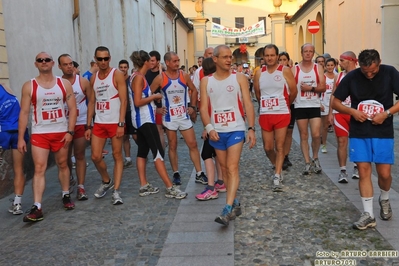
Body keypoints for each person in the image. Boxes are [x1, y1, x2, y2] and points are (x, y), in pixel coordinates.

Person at [332, 49, 399, 230]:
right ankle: (368, 214)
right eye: (365, 71)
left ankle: (384, 198)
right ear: (359, 65)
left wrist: (386, 113)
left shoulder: (390, 72)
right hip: (360, 131)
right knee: (363, 170)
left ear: (380, 63)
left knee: (384, 174)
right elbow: (335, 101)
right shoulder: (353, 76)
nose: (369, 74)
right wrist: (352, 111)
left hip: (382, 130)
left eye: (373, 71)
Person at [200, 45, 256, 226]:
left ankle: (227, 208)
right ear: (214, 59)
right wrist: (209, 128)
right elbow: (203, 108)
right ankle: (235, 201)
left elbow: (248, 104)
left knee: (232, 168)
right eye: (224, 57)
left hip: (236, 128)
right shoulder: (206, 81)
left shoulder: (239, 78)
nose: (228, 60)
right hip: (217, 132)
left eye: (229, 57)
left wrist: (251, 128)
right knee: (224, 170)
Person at [18, 52, 77, 222]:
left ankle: (66, 194)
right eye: (40, 60)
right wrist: (21, 137)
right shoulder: (29, 86)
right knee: (39, 168)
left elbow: (73, 109)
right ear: (36, 64)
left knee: (62, 164)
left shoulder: (64, 84)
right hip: (40, 133)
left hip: (60, 131)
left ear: (53, 63)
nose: (43, 62)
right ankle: (37, 206)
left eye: (47, 60)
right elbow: (24, 112)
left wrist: (70, 131)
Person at [129, 50, 188, 199]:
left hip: (141, 119)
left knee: (142, 151)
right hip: (145, 120)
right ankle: (170, 187)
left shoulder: (136, 76)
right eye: (150, 61)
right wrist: (154, 96)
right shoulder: (138, 78)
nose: (152, 63)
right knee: (158, 153)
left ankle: (144, 185)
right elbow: (137, 101)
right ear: (145, 62)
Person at [150, 52, 207, 186]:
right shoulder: (160, 78)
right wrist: (156, 109)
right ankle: (176, 173)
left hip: (183, 115)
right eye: (174, 61)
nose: (177, 63)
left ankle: (199, 173)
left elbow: (194, 90)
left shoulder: (184, 75)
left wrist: (192, 106)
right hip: (169, 117)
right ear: (167, 63)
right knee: (173, 145)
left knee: (192, 144)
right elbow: (148, 94)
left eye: (178, 61)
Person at [85, 46, 127, 205]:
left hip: (115, 122)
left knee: (117, 155)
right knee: (95, 156)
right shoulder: (93, 78)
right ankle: (106, 180)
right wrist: (88, 125)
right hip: (100, 123)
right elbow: (91, 102)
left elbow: (123, 100)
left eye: (106, 58)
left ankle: (116, 190)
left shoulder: (117, 74)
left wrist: (121, 123)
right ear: (95, 59)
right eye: (100, 59)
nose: (103, 62)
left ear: (110, 58)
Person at [253, 44, 297, 192]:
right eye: (267, 55)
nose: (270, 58)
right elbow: (258, 93)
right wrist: (266, 104)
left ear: (277, 56)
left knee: (280, 145)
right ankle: (276, 164)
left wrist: (284, 104)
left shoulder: (285, 71)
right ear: (263, 57)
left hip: (282, 112)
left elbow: (293, 91)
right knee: (267, 147)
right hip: (266, 113)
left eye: (272, 55)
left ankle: (277, 174)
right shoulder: (259, 73)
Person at [58, 54, 90, 200]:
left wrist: (90, 124)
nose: (69, 66)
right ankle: (69, 179)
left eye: (71, 63)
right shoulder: (57, 83)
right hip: (63, 125)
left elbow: (92, 102)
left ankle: (81, 186)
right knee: (65, 158)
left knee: (79, 155)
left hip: (80, 123)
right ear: (60, 67)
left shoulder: (82, 82)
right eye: (65, 64)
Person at [195, 57, 226, 201]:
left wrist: (207, 127)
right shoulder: (222, 80)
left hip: (213, 123)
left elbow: (205, 108)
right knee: (217, 154)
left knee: (206, 154)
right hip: (224, 123)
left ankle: (211, 186)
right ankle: (220, 182)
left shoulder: (207, 82)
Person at [293, 43, 326, 175]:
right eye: (305, 51)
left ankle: (315, 157)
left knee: (316, 134)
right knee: (303, 135)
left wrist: (310, 88)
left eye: (310, 51)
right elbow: (290, 87)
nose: (308, 53)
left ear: (313, 53)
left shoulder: (318, 68)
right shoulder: (294, 69)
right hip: (300, 105)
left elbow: (323, 87)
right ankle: (307, 161)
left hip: (313, 104)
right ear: (301, 53)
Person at [329, 51, 359, 183]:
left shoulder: (360, 74)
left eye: (342, 60)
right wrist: (330, 112)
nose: (339, 63)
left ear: (351, 60)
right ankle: (342, 170)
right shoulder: (339, 76)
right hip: (340, 113)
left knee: (356, 141)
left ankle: (357, 166)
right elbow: (333, 95)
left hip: (355, 113)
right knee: (341, 142)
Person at [0, 84, 29, 214]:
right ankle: (17, 204)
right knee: (18, 169)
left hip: (3, 132)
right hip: (19, 131)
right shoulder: (6, 87)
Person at [145, 50, 166, 149]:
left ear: (158, 61)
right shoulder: (146, 73)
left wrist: (161, 71)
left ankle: (160, 152)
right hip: (147, 104)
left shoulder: (163, 74)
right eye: (150, 60)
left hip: (159, 105)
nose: (151, 63)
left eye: (153, 61)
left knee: (159, 129)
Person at [279, 52, 295, 169]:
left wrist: (288, 103)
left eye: (285, 60)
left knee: (289, 132)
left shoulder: (291, 72)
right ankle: (279, 155)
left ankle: (286, 155)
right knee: (279, 134)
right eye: (280, 60)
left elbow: (294, 90)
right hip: (278, 107)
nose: (282, 62)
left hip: (290, 104)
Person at [118, 59, 135, 169]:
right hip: (121, 111)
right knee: (124, 136)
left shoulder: (131, 80)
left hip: (131, 110)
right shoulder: (117, 80)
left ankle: (144, 150)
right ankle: (127, 158)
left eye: (125, 67)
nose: (123, 69)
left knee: (135, 135)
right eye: (121, 67)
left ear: (128, 68)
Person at [320, 58, 337, 154]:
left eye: (332, 65)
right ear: (325, 66)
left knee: (336, 125)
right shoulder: (323, 77)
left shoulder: (337, 76)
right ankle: (324, 144)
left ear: (334, 65)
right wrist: (319, 103)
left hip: (335, 104)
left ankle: (339, 144)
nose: (330, 67)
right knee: (325, 126)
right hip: (325, 103)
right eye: (328, 65)